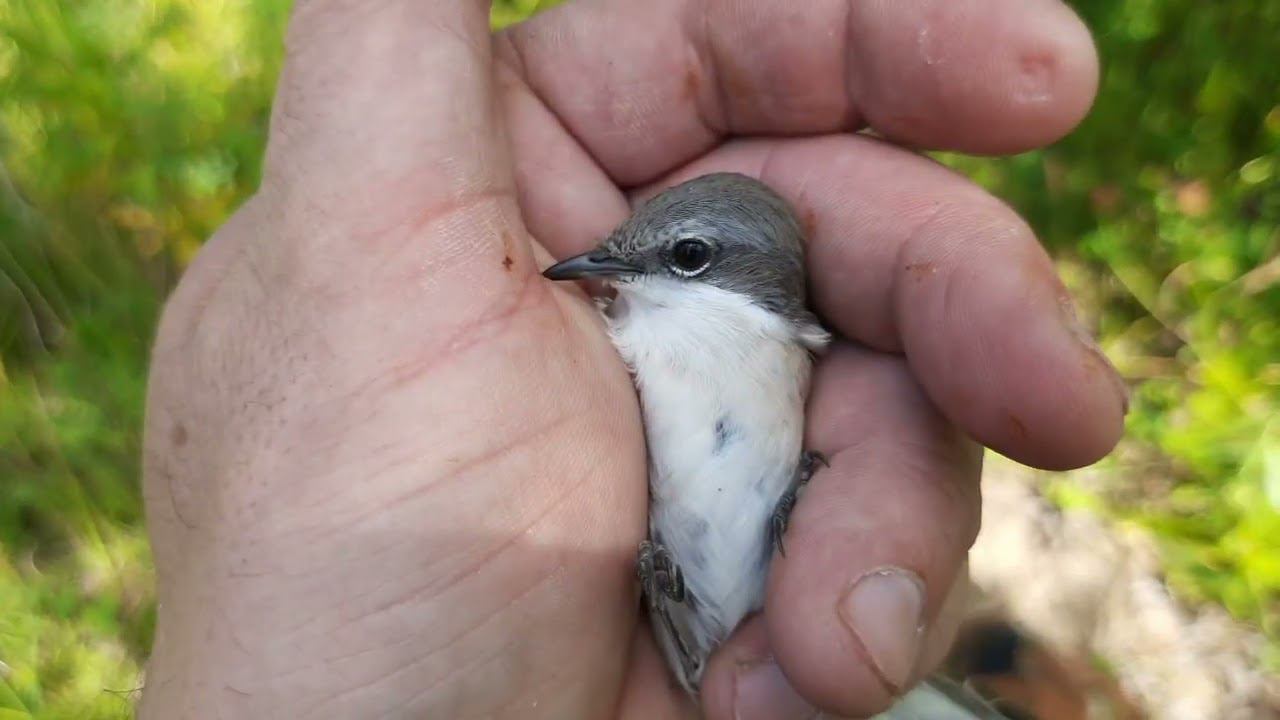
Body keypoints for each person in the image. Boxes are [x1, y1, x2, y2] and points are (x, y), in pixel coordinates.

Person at [136, 1, 1126, 718]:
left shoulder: (767, 340)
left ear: (746, 277)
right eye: (632, 255)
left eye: (681, 259)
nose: (617, 270)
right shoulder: (615, 327)